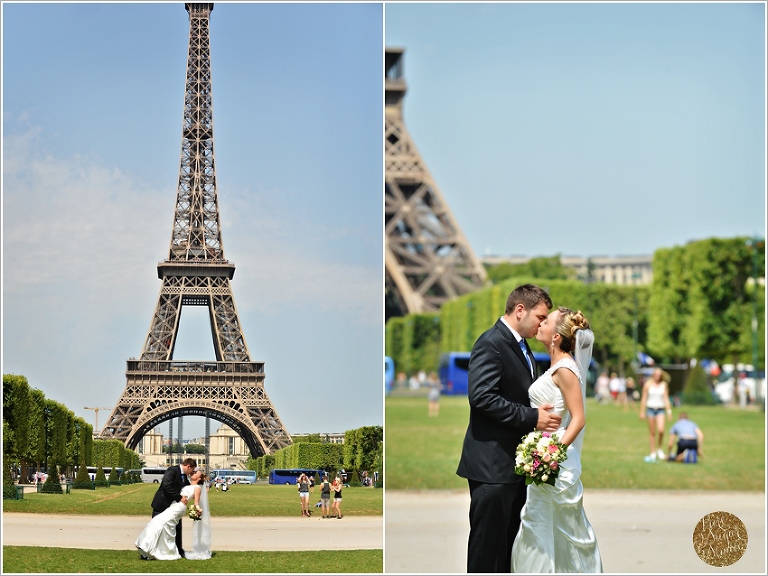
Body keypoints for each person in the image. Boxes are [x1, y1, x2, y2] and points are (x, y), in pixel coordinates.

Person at [456, 284, 562, 573]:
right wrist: (532, 418)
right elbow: (481, 397)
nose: (543, 323)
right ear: (519, 310)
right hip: (492, 466)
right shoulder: (491, 342)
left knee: (505, 550)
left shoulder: (520, 345)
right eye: (540, 317)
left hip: (510, 465)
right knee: (487, 551)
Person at [510, 307, 603, 572]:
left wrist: (551, 453)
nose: (540, 323)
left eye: (546, 320)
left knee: (560, 528)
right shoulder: (555, 365)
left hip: (554, 461)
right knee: (544, 527)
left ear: (556, 337)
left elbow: (579, 418)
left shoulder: (565, 369)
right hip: (546, 457)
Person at [137, 468, 210, 560]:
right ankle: (153, 548)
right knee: (161, 525)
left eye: (196, 473)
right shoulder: (187, 483)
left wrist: (197, 510)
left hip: (179, 508)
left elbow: (196, 502)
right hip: (173, 506)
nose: (193, 473)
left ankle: (153, 548)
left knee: (159, 523)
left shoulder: (197, 488)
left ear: (199, 478)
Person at [149, 457, 197, 558]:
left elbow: (188, 488)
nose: (191, 472)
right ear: (188, 466)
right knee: (155, 528)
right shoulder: (172, 470)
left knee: (177, 528)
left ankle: (178, 550)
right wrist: (179, 498)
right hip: (162, 504)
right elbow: (167, 486)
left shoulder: (184, 476)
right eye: (192, 470)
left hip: (174, 507)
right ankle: (149, 550)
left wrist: (194, 479)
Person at [639, 368, 673, 462]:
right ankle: (653, 452)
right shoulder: (648, 385)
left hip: (660, 410)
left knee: (661, 430)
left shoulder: (663, 385)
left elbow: (666, 398)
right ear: (653, 375)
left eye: (659, 374)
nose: (657, 376)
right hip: (650, 409)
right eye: (656, 374)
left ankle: (659, 449)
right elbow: (644, 398)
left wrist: (669, 411)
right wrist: (642, 411)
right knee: (652, 432)